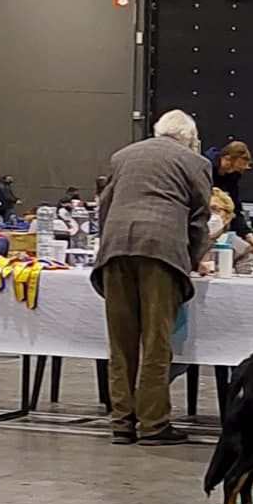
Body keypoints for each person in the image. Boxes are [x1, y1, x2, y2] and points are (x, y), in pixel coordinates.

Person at [91, 109, 212, 446]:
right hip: (161, 252)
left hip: (116, 251)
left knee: (121, 342)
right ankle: (154, 424)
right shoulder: (194, 163)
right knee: (156, 343)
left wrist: (109, 244)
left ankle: (122, 423)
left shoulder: (123, 156)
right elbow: (199, 218)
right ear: (189, 138)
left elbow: (105, 207)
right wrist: (192, 260)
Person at [205, 141, 253, 254]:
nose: (239, 173)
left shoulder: (232, 177)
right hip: (202, 225)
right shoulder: (204, 168)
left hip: (219, 228)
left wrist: (247, 234)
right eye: (237, 168)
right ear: (227, 158)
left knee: (243, 250)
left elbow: (235, 208)